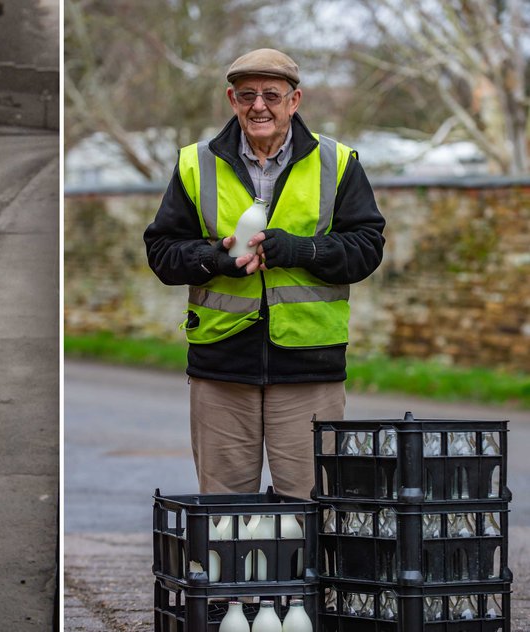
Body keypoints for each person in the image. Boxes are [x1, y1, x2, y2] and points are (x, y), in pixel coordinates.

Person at [144, 48, 385, 500]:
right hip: (222, 366)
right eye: (247, 95)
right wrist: (213, 259)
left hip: (310, 367)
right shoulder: (195, 164)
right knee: (224, 512)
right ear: (231, 100)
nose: (259, 106)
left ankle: (307, 577)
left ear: (295, 101)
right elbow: (161, 252)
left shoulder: (338, 162)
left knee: (311, 505)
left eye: (271, 95)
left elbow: (368, 248)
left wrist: (303, 250)